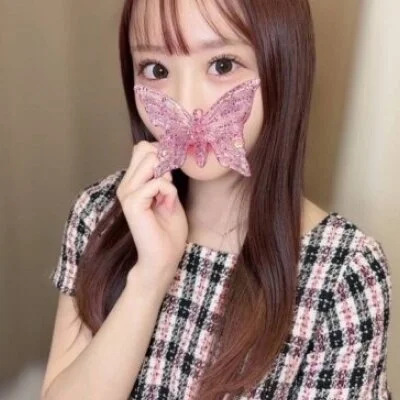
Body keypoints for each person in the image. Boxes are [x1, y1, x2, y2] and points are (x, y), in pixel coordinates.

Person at [40, 0, 393, 399]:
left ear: (283, 63)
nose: (187, 104)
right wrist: (150, 277)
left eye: (222, 65)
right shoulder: (100, 213)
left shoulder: (344, 275)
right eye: (156, 70)